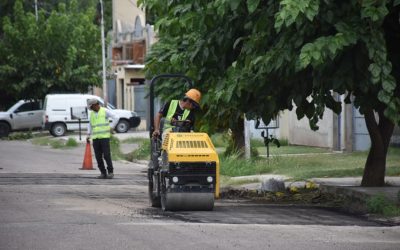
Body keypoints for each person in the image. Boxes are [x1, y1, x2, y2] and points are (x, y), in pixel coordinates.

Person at [86, 98, 119, 179]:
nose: (91, 109)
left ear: (96, 104)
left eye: (92, 107)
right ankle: (103, 173)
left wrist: (112, 127)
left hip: (104, 137)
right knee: (98, 156)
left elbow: (116, 117)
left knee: (107, 155)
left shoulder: (105, 111)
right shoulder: (92, 114)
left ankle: (110, 172)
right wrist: (88, 134)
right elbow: (90, 124)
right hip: (96, 138)